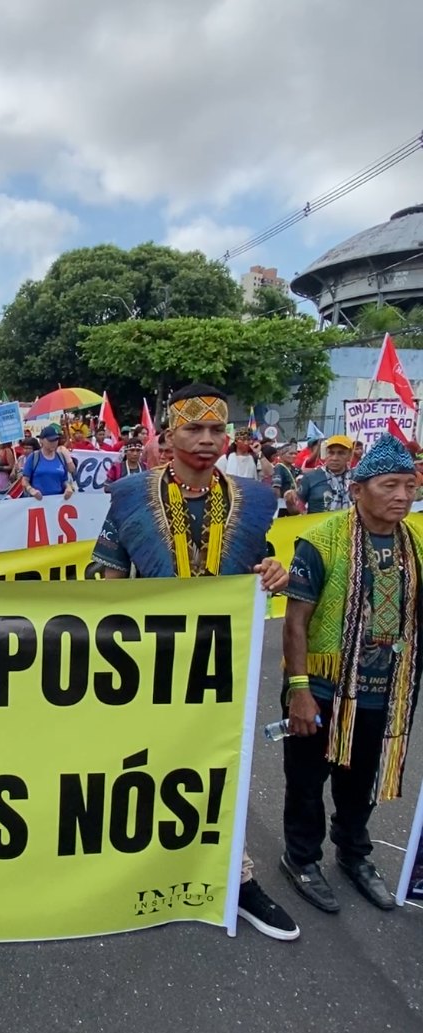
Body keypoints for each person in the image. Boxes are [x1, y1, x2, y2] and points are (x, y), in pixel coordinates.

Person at [91, 382, 298, 942]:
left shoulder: (256, 499)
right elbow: (104, 581)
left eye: (216, 430)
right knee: (135, 768)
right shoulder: (130, 495)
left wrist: (274, 571)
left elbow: (262, 564)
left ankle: (237, 877)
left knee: (218, 768)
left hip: (220, 665)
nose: (206, 441)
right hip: (144, 665)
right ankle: (125, 872)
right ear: (168, 433)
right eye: (193, 429)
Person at [280, 433, 423, 914]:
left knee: (359, 781)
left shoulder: (417, 542)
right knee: (306, 781)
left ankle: (354, 854)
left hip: (384, 689)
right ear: (359, 489)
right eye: (389, 485)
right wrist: (299, 691)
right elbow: (296, 620)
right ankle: (301, 858)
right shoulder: (321, 540)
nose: (402, 495)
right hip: (322, 688)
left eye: (409, 484)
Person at [293, 435, 352, 515]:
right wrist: (290, 502)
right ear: (325, 453)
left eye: (341, 453)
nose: (334, 458)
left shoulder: (358, 478)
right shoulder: (310, 477)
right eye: (331, 453)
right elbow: (297, 508)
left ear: (350, 455)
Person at [20, 424, 76, 500]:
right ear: (41, 440)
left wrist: (68, 488)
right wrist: (31, 490)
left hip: (58, 501)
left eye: (56, 440)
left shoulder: (61, 457)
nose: (54, 443)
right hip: (38, 502)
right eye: (50, 440)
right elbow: (25, 480)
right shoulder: (34, 457)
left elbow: (64, 480)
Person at [271, 442, 299, 515]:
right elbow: (276, 488)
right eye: (290, 453)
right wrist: (279, 504)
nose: (294, 456)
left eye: (295, 453)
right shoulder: (278, 468)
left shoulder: (294, 469)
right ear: (281, 455)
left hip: (294, 505)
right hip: (283, 506)